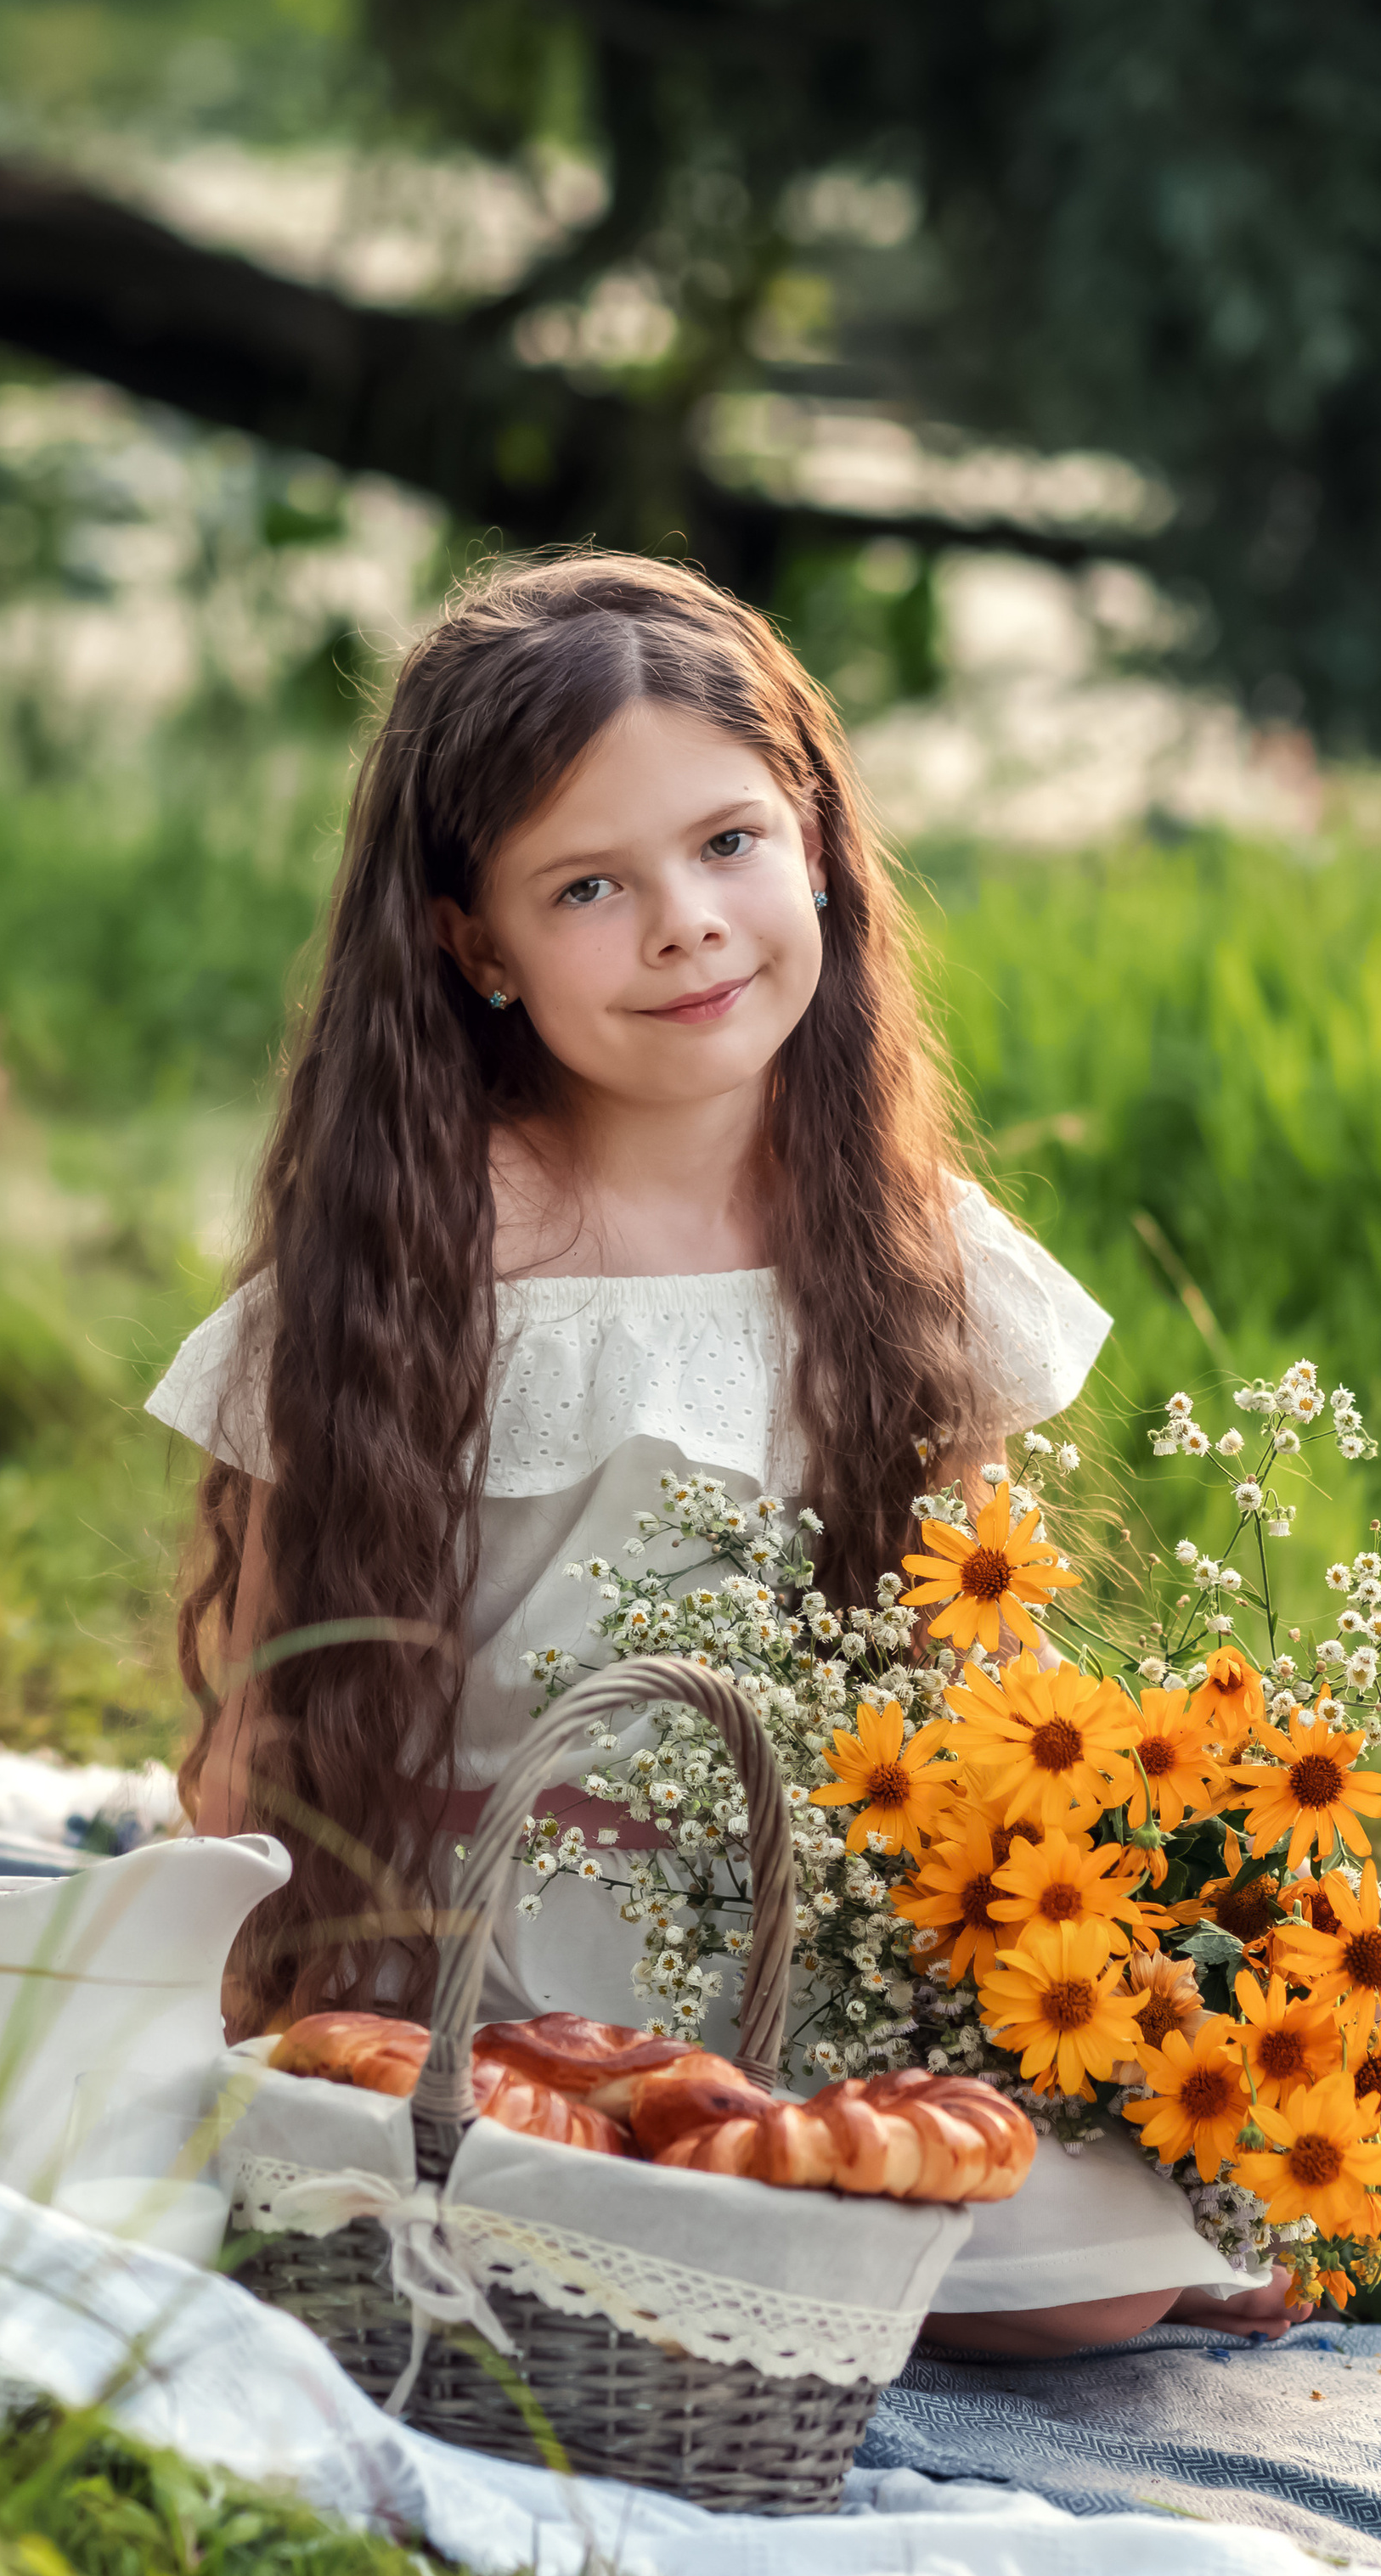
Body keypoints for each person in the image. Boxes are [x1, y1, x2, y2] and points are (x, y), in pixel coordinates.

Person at [149, 553, 1302, 2346]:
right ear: (475, 945)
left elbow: (982, 1689)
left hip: (797, 1963)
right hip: (488, 1983)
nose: (684, 921)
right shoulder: (415, 1256)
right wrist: (208, 2007)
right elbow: (268, 1707)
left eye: (726, 844)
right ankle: (641, 2246)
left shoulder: (901, 1248)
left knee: (1108, 2265)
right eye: (588, 884)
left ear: (820, 842)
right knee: (450, 2185)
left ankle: (745, 2252)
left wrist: (1095, 1964)